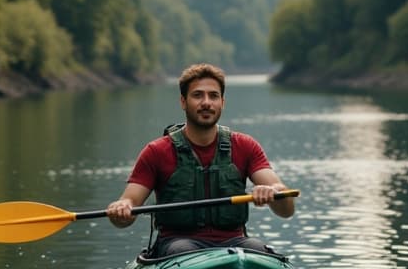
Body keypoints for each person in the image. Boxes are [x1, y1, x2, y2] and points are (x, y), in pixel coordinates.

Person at [107, 63, 295, 256]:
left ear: (222, 102)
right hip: (176, 245)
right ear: (183, 101)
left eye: (213, 96)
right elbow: (128, 206)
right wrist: (122, 208)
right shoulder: (156, 151)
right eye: (198, 95)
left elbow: (286, 209)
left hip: (235, 242)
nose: (206, 103)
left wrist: (275, 192)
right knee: (184, 251)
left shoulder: (245, 146)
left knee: (257, 250)